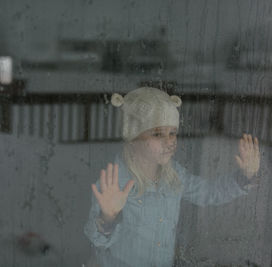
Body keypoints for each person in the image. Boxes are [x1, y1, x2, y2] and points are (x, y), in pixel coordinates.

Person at [84, 87, 261, 267]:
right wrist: (107, 218)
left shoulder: (174, 175)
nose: (169, 141)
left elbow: (208, 192)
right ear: (133, 137)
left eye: (172, 132)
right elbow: (97, 241)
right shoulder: (113, 184)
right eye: (157, 133)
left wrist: (244, 177)